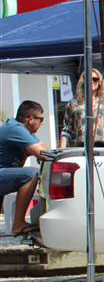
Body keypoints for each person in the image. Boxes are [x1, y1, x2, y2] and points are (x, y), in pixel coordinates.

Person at [0, 100, 46, 236]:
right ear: (30, 119)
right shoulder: (15, 128)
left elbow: (42, 149)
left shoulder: (25, 132)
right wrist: (37, 151)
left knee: (26, 174)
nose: (41, 123)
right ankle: (18, 224)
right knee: (32, 174)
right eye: (41, 119)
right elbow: (42, 153)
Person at [59, 69, 104, 148]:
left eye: (95, 79)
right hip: (80, 147)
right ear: (83, 81)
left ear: (99, 82)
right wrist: (62, 149)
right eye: (88, 78)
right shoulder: (73, 104)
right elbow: (66, 130)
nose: (92, 81)